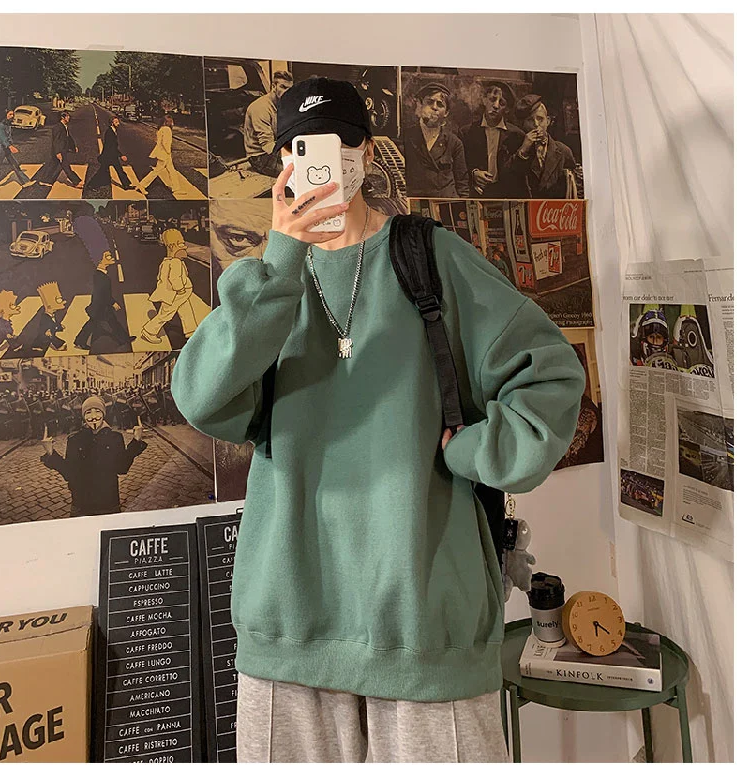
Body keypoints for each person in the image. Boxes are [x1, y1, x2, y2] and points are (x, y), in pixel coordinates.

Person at [171, 77, 585, 762]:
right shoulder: (266, 282)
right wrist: (281, 260)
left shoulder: (430, 258)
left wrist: (476, 452)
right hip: (291, 624)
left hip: (426, 623)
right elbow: (202, 398)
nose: (318, 161)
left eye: (336, 142)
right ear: (282, 164)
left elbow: (552, 374)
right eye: (299, 148)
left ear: (365, 152)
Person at [40, 395, 147, 516]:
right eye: (88, 412)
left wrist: (136, 441)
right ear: (83, 416)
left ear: (103, 414)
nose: (93, 416)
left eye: (97, 411)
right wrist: (51, 453)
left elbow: (122, 468)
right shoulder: (75, 439)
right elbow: (69, 473)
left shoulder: (115, 437)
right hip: (81, 504)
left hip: (108, 502)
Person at [72, 216, 135, 351]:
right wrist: (113, 302)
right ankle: (79, 341)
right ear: (100, 260)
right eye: (108, 256)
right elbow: (102, 294)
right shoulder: (100, 277)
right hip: (99, 307)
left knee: (112, 322)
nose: (111, 257)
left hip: (102, 306)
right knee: (92, 324)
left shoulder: (101, 275)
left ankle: (123, 339)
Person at [404, 82, 469, 198]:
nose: (434, 107)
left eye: (440, 104)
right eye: (429, 102)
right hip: (416, 202)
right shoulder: (406, 137)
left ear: (446, 112)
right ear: (420, 105)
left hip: (445, 202)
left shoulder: (454, 143)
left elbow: (462, 184)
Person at [462, 83, 526, 198]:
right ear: (484, 100)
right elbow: (460, 164)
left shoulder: (516, 136)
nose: (496, 106)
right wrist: (473, 173)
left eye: (502, 103)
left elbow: (519, 171)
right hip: (476, 193)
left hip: (505, 195)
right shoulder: (467, 132)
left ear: (507, 109)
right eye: (492, 99)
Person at [509, 94, 578, 199]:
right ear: (523, 124)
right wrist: (523, 150)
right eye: (530, 120)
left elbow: (574, 186)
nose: (536, 124)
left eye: (540, 119)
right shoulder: (516, 148)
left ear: (548, 121)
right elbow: (508, 179)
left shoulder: (563, 151)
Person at [140, 228, 199, 344]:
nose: (184, 247)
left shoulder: (167, 261)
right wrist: (180, 289)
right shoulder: (175, 262)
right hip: (175, 294)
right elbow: (174, 278)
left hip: (177, 294)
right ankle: (149, 331)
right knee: (165, 314)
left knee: (185, 310)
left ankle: (191, 331)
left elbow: (160, 277)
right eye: (181, 243)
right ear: (172, 246)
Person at [242, 70, 293, 178]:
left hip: (275, 149)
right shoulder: (260, 108)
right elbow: (267, 146)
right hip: (260, 157)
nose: (287, 92)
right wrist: (290, 155)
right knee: (295, 173)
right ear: (274, 86)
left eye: (290, 89)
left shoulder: (282, 104)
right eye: (283, 87)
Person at [0, 109, 34, 190]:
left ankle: (25, 182)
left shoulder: (8, 125)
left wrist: (10, 145)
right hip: (2, 149)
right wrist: (10, 146)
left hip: (6, 148)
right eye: (10, 114)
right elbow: (2, 138)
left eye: (13, 114)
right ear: (5, 115)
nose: (12, 116)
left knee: (15, 164)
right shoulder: (0, 126)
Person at [85, 115, 133, 191]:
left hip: (112, 155)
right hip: (108, 156)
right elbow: (111, 147)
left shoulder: (113, 131)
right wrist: (121, 155)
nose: (118, 123)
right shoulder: (109, 132)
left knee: (120, 170)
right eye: (116, 122)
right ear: (112, 123)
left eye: (118, 122)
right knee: (102, 171)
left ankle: (126, 185)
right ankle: (91, 185)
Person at [136, 115, 181, 196]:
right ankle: (142, 185)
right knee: (157, 171)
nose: (173, 123)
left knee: (171, 171)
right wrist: (168, 152)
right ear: (168, 122)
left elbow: (158, 141)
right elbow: (165, 143)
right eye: (171, 121)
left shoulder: (160, 129)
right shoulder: (167, 129)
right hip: (165, 154)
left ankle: (176, 188)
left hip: (162, 153)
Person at [37, 111, 83, 189]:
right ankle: (76, 182)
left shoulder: (64, 126)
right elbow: (56, 141)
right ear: (63, 117)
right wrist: (58, 152)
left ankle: (44, 180)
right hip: (60, 151)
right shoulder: (57, 127)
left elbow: (68, 138)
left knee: (52, 165)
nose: (69, 118)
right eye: (67, 116)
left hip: (63, 149)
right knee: (66, 167)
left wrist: (73, 147)